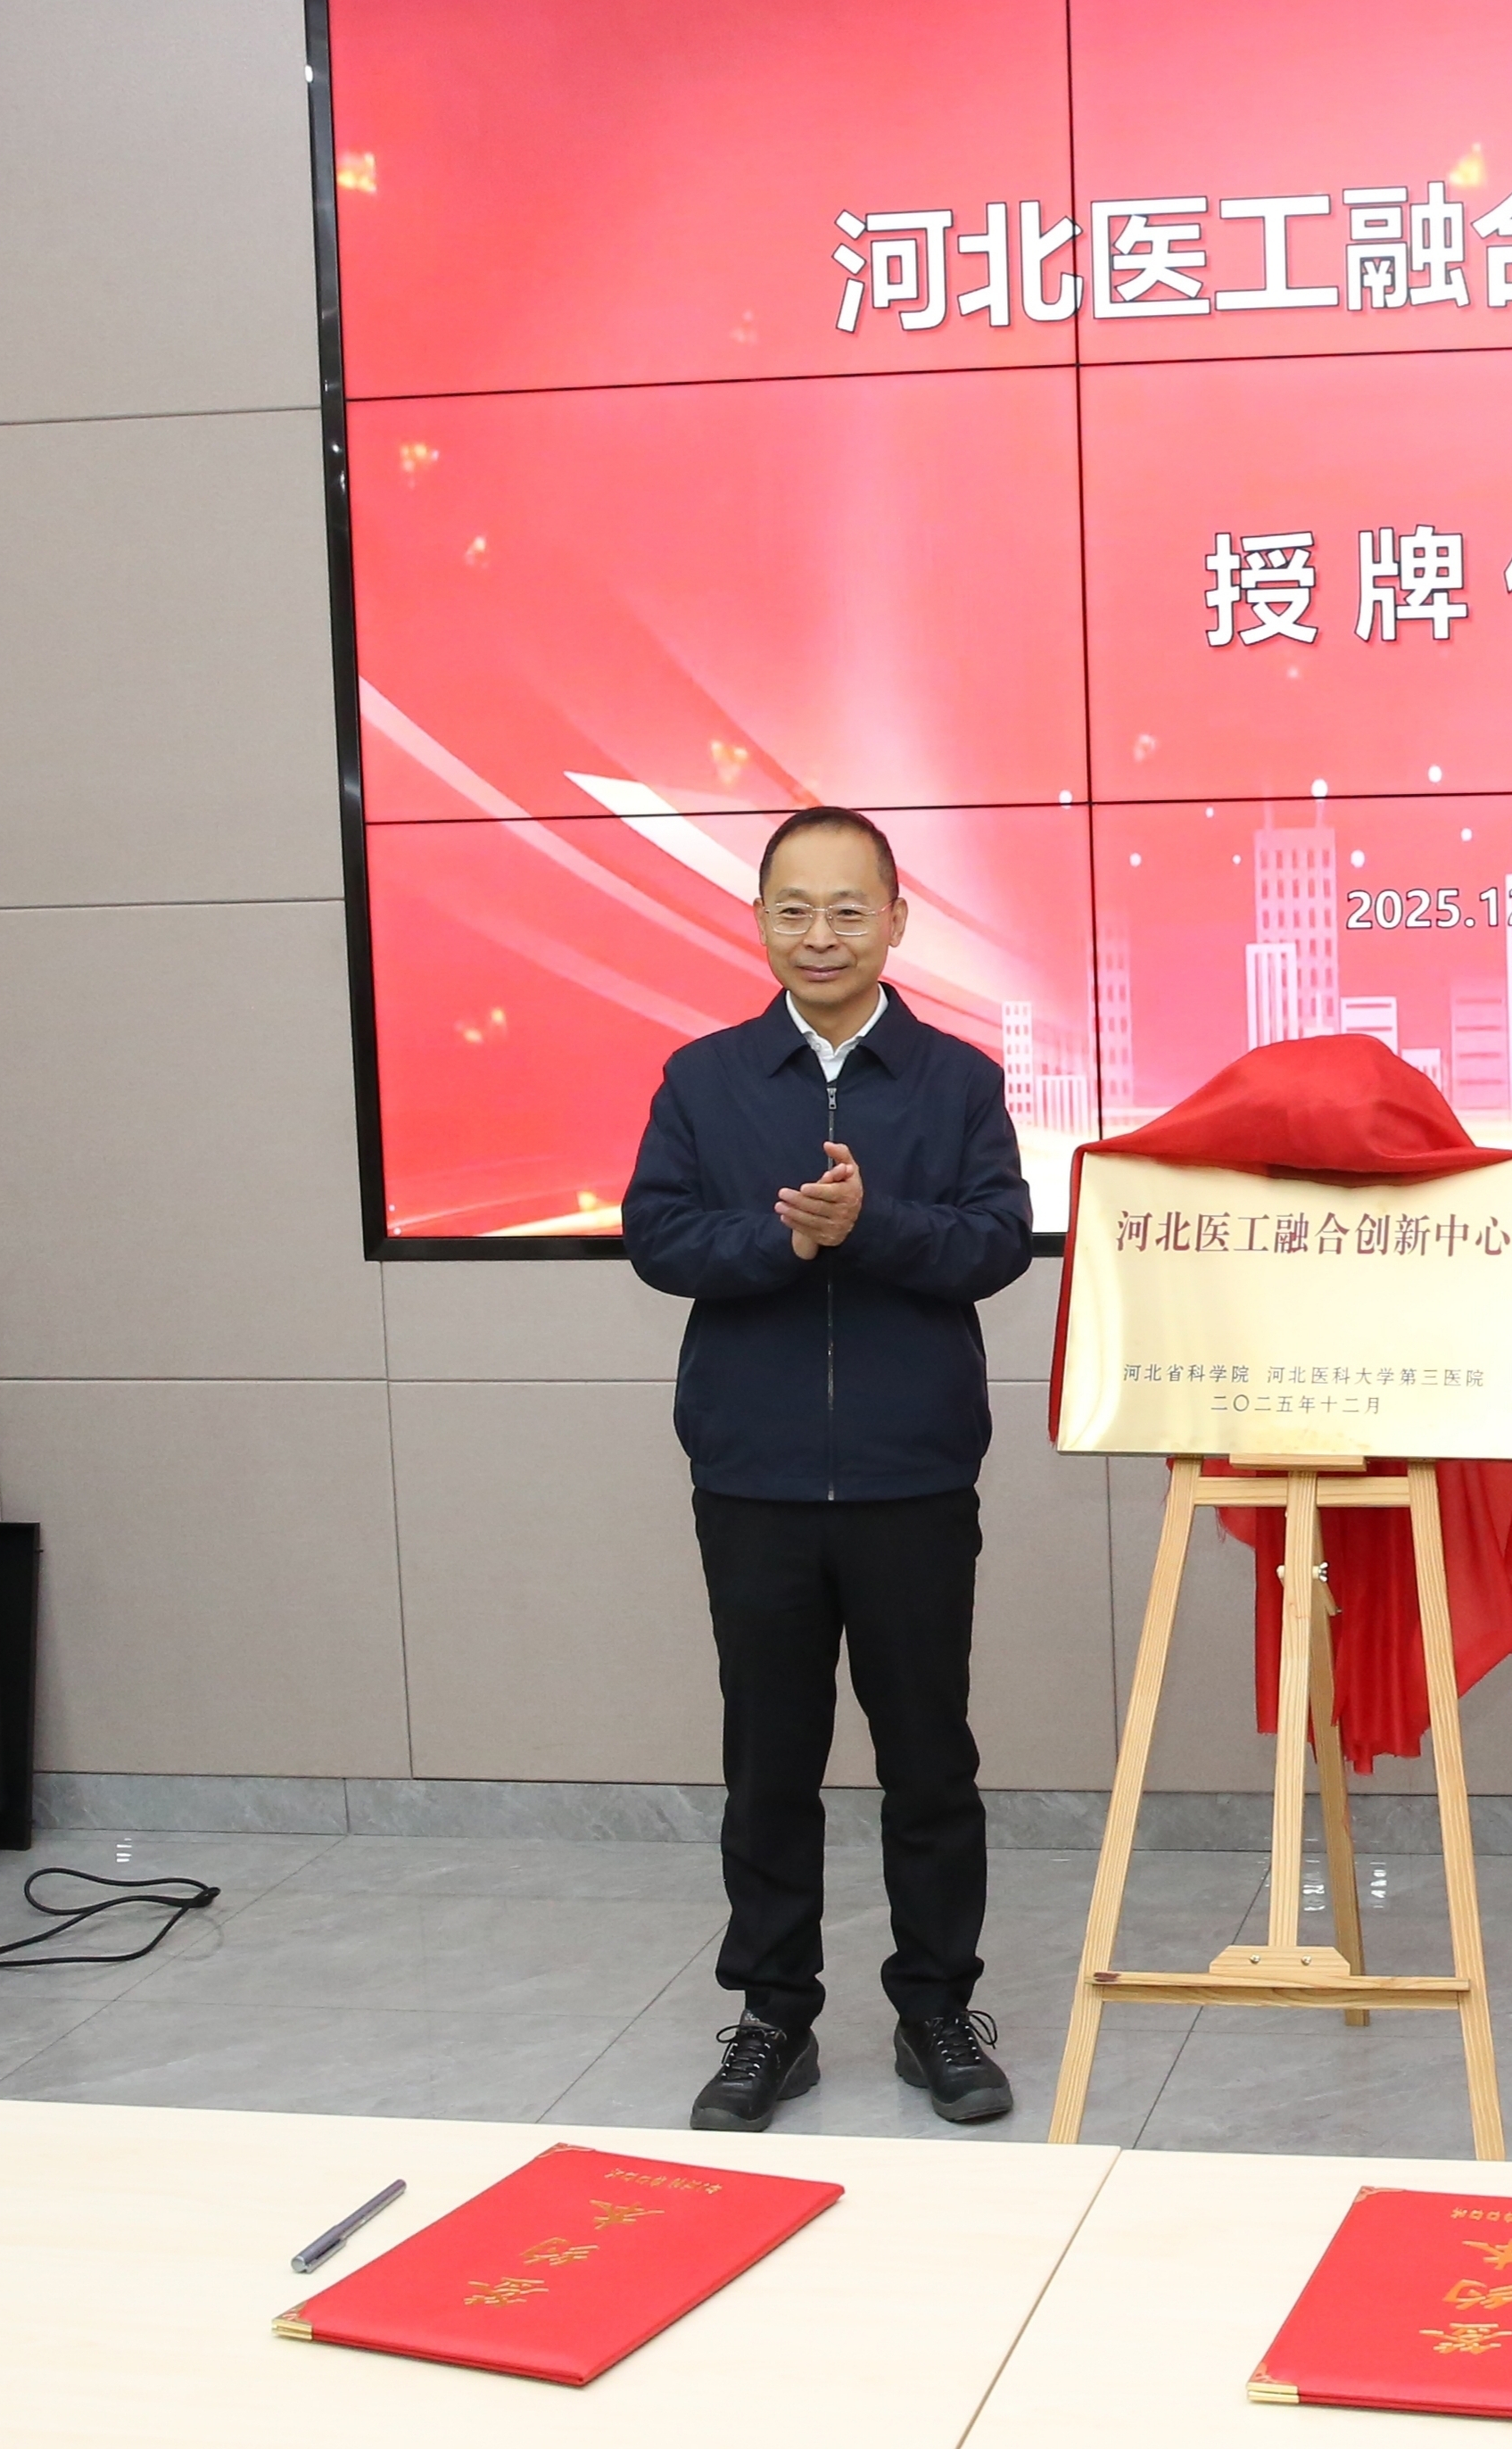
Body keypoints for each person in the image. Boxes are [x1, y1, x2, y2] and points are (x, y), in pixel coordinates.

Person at [624, 807, 1034, 2131]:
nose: (821, 934)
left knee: (929, 1759)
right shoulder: (705, 1078)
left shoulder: (957, 1079)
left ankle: (936, 2009)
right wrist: (787, 1244)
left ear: (897, 921)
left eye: (849, 909)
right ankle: (772, 2016)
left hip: (914, 1476)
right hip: (755, 1477)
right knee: (769, 1762)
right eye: (794, 909)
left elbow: (997, 1242)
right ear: (758, 920)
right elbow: (658, 1238)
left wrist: (872, 1224)